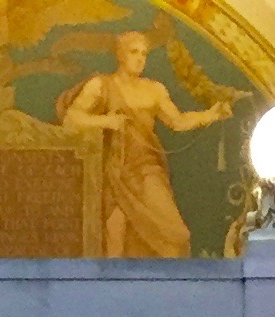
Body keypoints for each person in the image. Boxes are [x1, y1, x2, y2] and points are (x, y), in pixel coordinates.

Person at [57, 33, 227, 260]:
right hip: (114, 171)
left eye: (144, 53)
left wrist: (209, 115)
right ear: (120, 55)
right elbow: (71, 119)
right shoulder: (101, 85)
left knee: (176, 234)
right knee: (114, 243)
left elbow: (177, 121)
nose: (139, 59)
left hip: (146, 169)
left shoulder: (154, 90)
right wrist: (105, 121)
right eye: (133, 52)